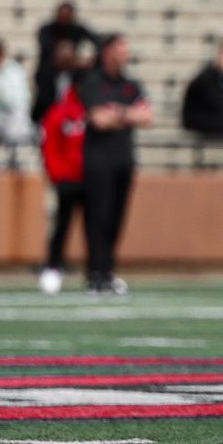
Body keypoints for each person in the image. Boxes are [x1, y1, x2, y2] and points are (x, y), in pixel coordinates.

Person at [78, 34, 153, 295]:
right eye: (121, 47)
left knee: (117, 218)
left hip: (123, 159)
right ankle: (95, 273)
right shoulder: (93, 81)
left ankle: (107, 271)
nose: (125, 52)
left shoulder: (131, 84)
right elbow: (98, 119)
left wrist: (117, 113)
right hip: (98, 161)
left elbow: (147, 116)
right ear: (107, 52)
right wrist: (128, 114)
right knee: (99, 217)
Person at [38, 86, 86, 295]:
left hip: (91, 179)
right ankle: (53, 268)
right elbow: (49, 146)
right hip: (66, 179)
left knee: (96, 229)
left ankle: (97, 272)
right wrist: (57, 175)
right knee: (60, 226)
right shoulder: (59, 112)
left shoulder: (93, 110)